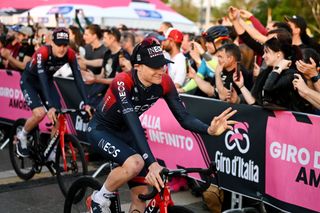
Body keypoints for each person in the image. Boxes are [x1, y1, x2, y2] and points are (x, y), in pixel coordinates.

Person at [86, 37, 237, 213]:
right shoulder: (123, 81)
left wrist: (208, 129)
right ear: (138, 67)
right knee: (136, 163)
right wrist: (151, 163)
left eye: (162, 65)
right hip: (102, 130)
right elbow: (133, 121)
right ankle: (98, 198)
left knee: (141, 199)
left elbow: (184, 117)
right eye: (155, 66)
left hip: (127, 133)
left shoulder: (164, 81)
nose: (161, 70)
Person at [17, 27, 91, 157]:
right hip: (31, 81)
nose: (62, 48)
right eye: (58, 45)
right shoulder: (43, 52)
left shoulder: (70, 54)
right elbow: (42, 79)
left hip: (47, 81)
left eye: (65, 45)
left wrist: (86, 103)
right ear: (52, 43)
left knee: (58, 117)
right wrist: (49, 106)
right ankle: (22, 135)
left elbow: (78, 79)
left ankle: (51, 153)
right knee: (40, 113)